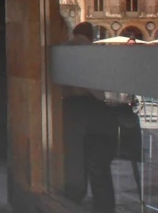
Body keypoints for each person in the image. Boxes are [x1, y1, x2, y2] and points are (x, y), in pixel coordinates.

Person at [62, 22, 116, 212]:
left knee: (73, 156)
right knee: (97, 161)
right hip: (91, 109)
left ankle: (74, 196)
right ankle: (103, 204)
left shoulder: (62, 50)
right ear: (91, 35)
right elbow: (99, 89)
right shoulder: (92, 51)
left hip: (68, 107)